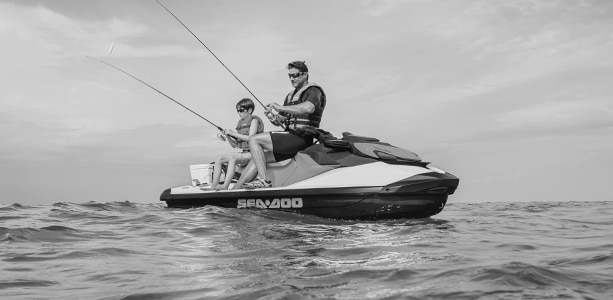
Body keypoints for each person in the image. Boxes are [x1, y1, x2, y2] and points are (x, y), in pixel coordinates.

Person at [237, 61, 326, 189]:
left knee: (254, 139)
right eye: (290, 76)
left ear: (305, 74)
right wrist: (274, 118)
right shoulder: (291, 95)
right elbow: (282, 119)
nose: (292, 78)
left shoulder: (313, 91)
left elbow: (309, 108)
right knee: (258, 159)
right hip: (290, 139)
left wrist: (279, 107)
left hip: (301, 138)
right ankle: (235, 191)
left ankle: (263, 180)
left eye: (295, 75)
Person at [209, 98, 264, 190]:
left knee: (233, 157)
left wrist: (233, 133)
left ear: (250, 110)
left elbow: (251, 138)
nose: (239, 113)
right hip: (244, 153)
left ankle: (225, 186)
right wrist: (227, 136)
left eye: (241, 110)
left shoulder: (254, 121)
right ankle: (213, 187)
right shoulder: (240, 123)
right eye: (237, 111)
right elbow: (235, 145)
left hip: (254, 154)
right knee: (219, 158)